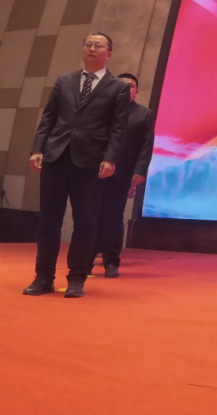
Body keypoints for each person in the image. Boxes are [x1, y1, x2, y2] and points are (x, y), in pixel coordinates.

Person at [23, 33, 131, 298]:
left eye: (98, 45)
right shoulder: (65, 80)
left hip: (91, 162)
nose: (92, 48)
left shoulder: (118, 87)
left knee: (85, 221)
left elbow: (118, 128)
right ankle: (43, 277)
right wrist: (38, 149)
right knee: (48, 220)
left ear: (108, 54)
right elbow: (49, 118)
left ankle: (77, 278)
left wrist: (110, 158)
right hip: (56, 157)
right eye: (88, 44)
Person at [94, 73, 155, 279]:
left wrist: (139, 171)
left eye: (129, 85)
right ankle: (87, 255)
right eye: (120, 84)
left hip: (122, 172)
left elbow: (146, 146)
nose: (124, 88)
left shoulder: (143, 114)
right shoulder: (100, 110)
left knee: (113, 216)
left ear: (136, 92)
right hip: (94, 171)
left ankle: (111, 260)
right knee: (90, 214)